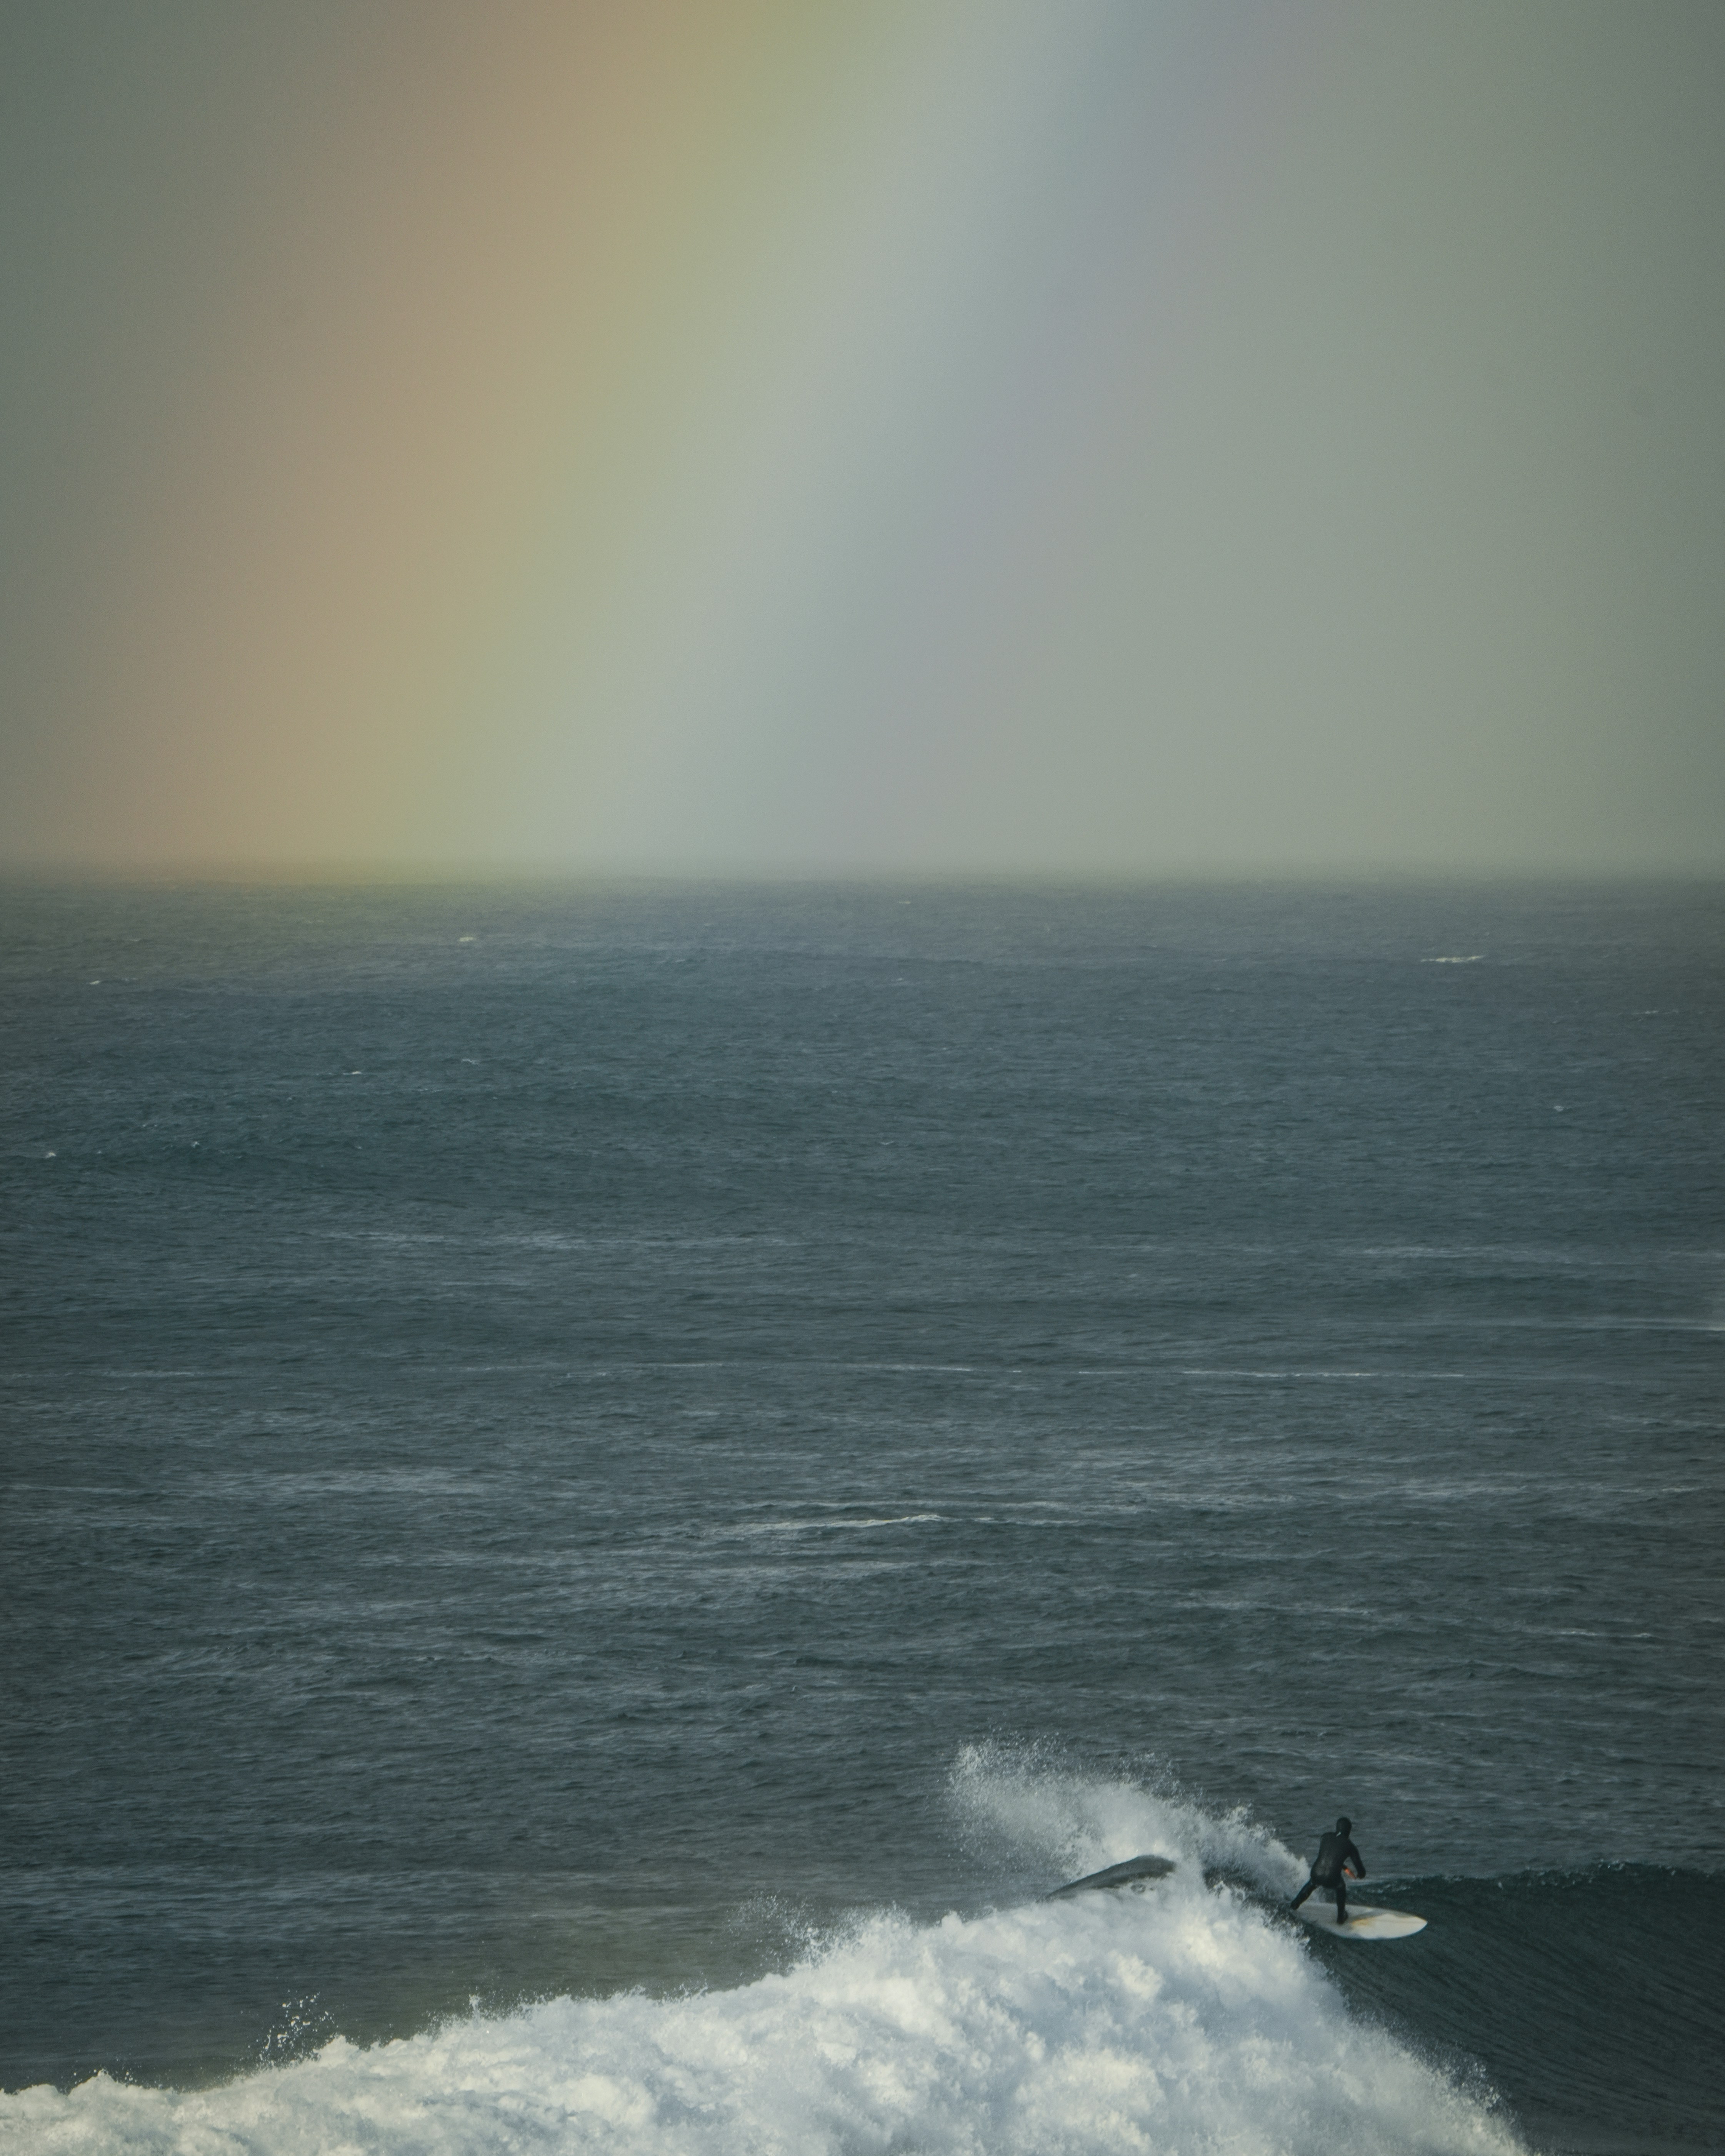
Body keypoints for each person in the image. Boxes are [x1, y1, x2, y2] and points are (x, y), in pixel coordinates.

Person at [1290, 1816, 1365, 1924]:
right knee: (1341, 1887)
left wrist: (1343, 1867)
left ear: (1337, 1828)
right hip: (1332, 1879)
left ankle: (1294, 1905)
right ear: (1349, 1831)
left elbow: (1330, 1855)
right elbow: (1362, 1872)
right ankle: (1341, 1917)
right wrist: (1359, 1875)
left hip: (1316, 1873)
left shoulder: (1325, 1837)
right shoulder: (1351, 1847)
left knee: (1312, 1883)